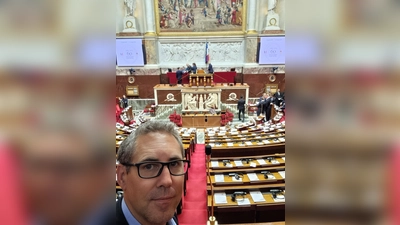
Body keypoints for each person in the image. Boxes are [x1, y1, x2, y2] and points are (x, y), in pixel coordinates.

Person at [116, 121, 188, 225]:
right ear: (122, 177)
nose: (167, 181)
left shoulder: (168, 213)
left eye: (174, 164)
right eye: (149, 166)